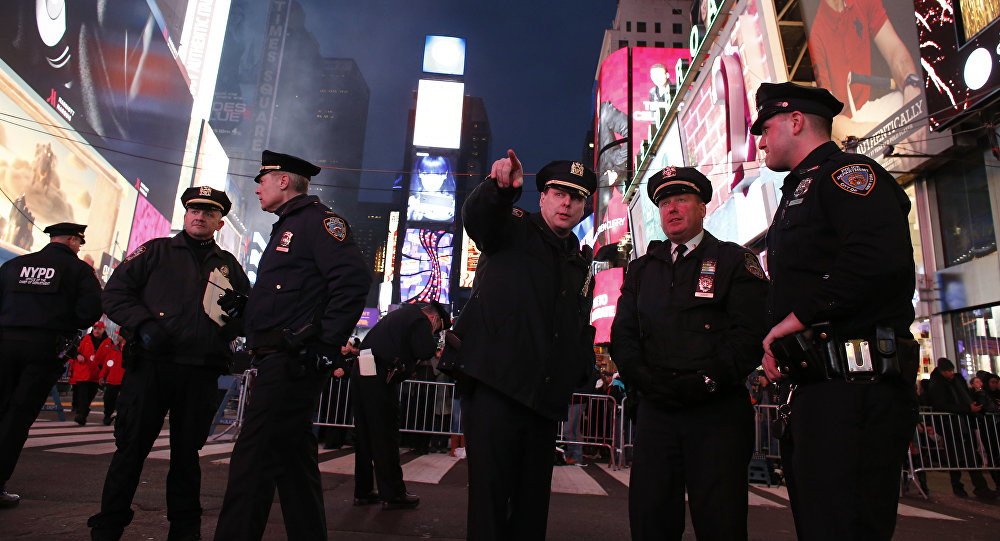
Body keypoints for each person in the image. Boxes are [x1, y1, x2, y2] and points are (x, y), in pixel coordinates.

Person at [755, 82, 920, 540]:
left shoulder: (848, 174)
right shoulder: (800, 189)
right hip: (821, 391)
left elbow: (874, 260)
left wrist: (796, 319)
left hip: (855, 393)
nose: (760, 141)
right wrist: (779, 338)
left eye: (765, 128)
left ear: (795, 122)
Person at [214, 150, 371, 541]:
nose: (257, 187)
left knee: (252, 462)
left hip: (292, 362)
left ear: (283, 180)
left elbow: (352, 282)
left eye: (262, 179)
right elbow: (293, 297)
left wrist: (325, 343)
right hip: (279, 359)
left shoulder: (319, 223)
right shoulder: (288, 226)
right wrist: (249, 309)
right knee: (293, 464)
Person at [440, 150, 597, 540]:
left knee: (531, 507)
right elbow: (477, 218)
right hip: (496, 390)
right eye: (558, 193)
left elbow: (576, 328)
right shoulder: (512, 226)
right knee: (490, 506)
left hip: (543, 402)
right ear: (541, 196)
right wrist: (497, 189)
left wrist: (582, 374)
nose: (566, 203)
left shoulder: (579, 263)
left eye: (576, 197)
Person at [610, 166, 769, 540]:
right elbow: (624, 335)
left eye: (681, 199)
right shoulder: (641, 270)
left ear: (702, 206)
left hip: (716, 416)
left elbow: (749, 334)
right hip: (657, 413)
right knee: (651, 522)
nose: (672, 209)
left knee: (720, 524)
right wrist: (643, 379)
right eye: (664, 202)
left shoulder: (734, 260)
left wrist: (708, 380)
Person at [87, 187, 250, 541]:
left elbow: (246, 317)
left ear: (219, 222)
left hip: (200, 371)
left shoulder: (230, 266)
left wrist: (237, 319)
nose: (199, 216)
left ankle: (185, 530)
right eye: (194, 209)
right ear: (185, 214)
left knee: (186, 457)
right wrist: (144, 325)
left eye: (209, 213)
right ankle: (108, 526)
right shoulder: (155, 251)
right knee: (130, 449)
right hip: (151, 366)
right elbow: (115, 293)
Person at [0, 222, 102, 508]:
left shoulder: (15, 266)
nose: (79, 248)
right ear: (72, 240)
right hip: (44, 349)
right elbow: (89, 313)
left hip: (4, 343)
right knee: (18, 416)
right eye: (79, 243)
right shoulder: (80, 272)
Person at [351, 301, 449, 509]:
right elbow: (424, 350)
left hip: (362, 370)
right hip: (379, 375)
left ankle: (364, 490)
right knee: (386, 433)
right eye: (436, 328)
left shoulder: (400, 315)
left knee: (365, 434)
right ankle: (393, 492)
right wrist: (435, 343)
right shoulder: (420, 320)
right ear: (433, 319)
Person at [927, 358, 997, 499]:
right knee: (955, 458)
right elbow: (940, 404)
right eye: (948, 371)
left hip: (963, 421)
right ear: (942, 371)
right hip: (951, 424)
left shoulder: (956, 380)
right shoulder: (937, 384)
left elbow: (964, 396)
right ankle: (959, 487)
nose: (951, 373)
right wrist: (967, 408)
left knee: (971, 455)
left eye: (951, 370)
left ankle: (980, 487)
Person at [71, 321, 111, 425]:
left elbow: (110, 357)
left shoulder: (108, 342)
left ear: (103, 330)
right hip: (83, 373)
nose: (96, 331)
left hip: (96, 374)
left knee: (89, 396)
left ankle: (83, 413)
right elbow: (76, 351)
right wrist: (78, 355)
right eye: (95, 328)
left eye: (99, 329)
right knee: (82, 396)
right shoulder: (85, 339)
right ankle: (82, 416)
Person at [98, 332, 126, 425]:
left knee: (122, 402)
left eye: (119, 334)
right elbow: (107, 364)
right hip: (112, 380)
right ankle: (107, 416)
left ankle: (120, 418)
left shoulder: (130, 350)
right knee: (108, 399)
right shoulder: (113, 349)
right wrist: (102, 375)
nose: (117, 336)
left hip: (125, 382)